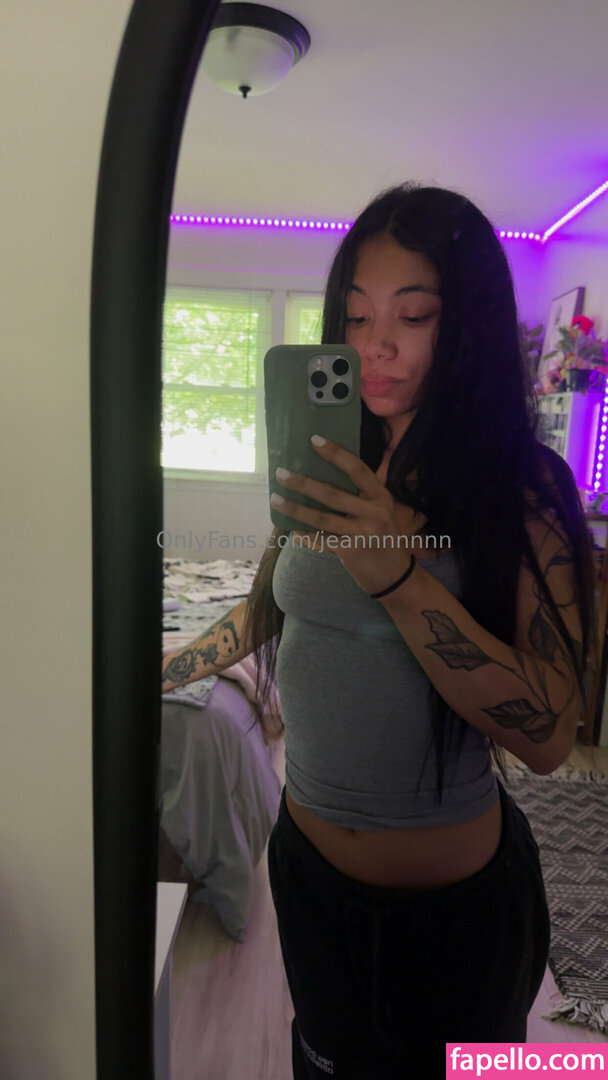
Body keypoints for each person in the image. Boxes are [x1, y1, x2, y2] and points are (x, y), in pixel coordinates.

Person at [161, 183, 596, 1078]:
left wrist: (395, 572)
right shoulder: (330, 460)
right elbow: (265, 606)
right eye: (355, 316)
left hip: (452, 914)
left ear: (467, 326)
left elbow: (550, 736)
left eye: (413, 315)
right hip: (307, 874)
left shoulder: (524, 489)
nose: (374, 345)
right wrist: (165, 667)